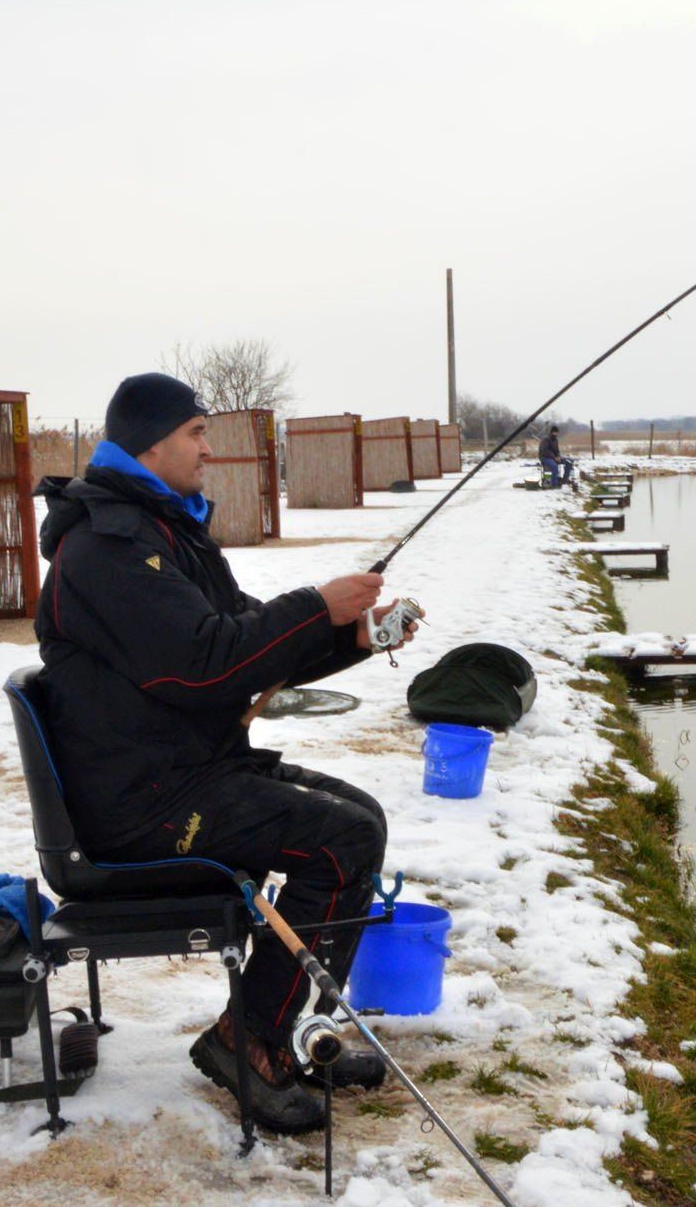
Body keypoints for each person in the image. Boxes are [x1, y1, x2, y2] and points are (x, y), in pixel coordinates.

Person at [34, 372, 419, 1133]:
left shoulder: (164, 531)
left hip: (185, 772)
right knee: (343, 841)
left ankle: (295, 1032)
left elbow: (248, 649)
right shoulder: (106, 549)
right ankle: (248, 1041)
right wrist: (315, 602)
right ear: (149, 441)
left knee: (357, 818)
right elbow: (202, 664)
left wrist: (356, 634)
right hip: (144, 807)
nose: (210, 449)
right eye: (196, 433)